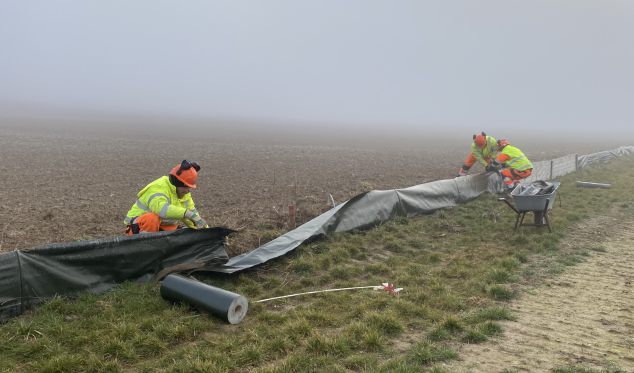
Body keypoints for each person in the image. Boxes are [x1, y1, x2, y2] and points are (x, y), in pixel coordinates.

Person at [124, 160, 209, 235]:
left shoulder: (184, 193)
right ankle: (145, 248)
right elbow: (162, 209)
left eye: (189, 187)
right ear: (177, 183)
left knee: (187, 233)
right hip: (137, 227)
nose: (187, 191)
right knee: (151, 218)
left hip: (162, 226)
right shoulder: (158, 187)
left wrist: (206, 231)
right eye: (186, 187)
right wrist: (188, 214)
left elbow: (193, 216)